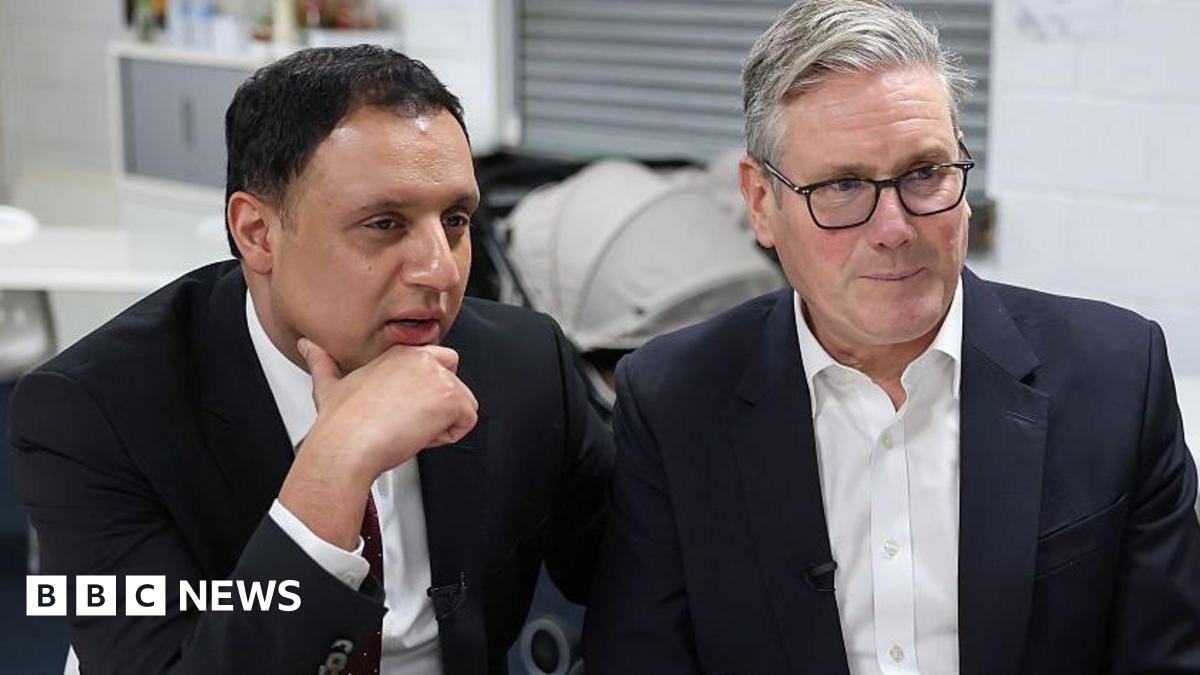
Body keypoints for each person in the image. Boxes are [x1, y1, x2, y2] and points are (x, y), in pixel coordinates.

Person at [583, 1, 1200, 673]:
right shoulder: (674, 401)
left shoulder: (1117, 376)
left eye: (925, 173)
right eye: (844, 185)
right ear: (761, 203)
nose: (895, 227)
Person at [10, 45, 612, 675]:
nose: (440, 270)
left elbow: (642, 582)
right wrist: (334, 465)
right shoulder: (92, 411)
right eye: (384, 223)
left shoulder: (522, 361)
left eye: (456, 220)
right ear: (257, 233)